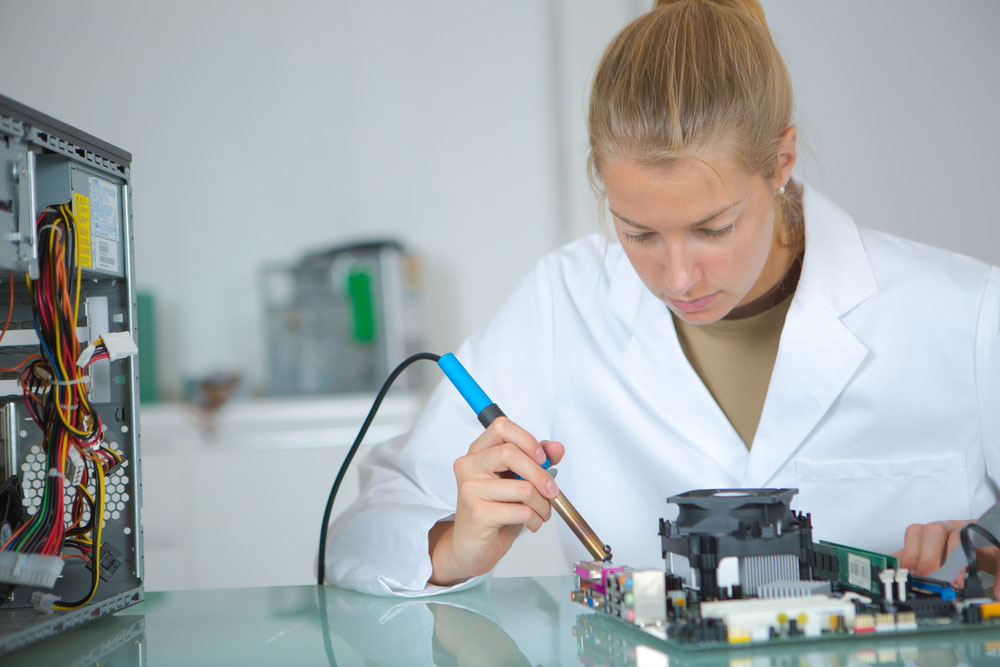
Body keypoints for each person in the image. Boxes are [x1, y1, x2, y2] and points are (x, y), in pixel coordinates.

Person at [325, 0, 1000, 597]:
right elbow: (364, 531)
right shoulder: (564, 305)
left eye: (713, 228)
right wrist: (452, 544)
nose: (677, 277)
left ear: (781, 163)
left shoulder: (964, 314)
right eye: (638, 231)